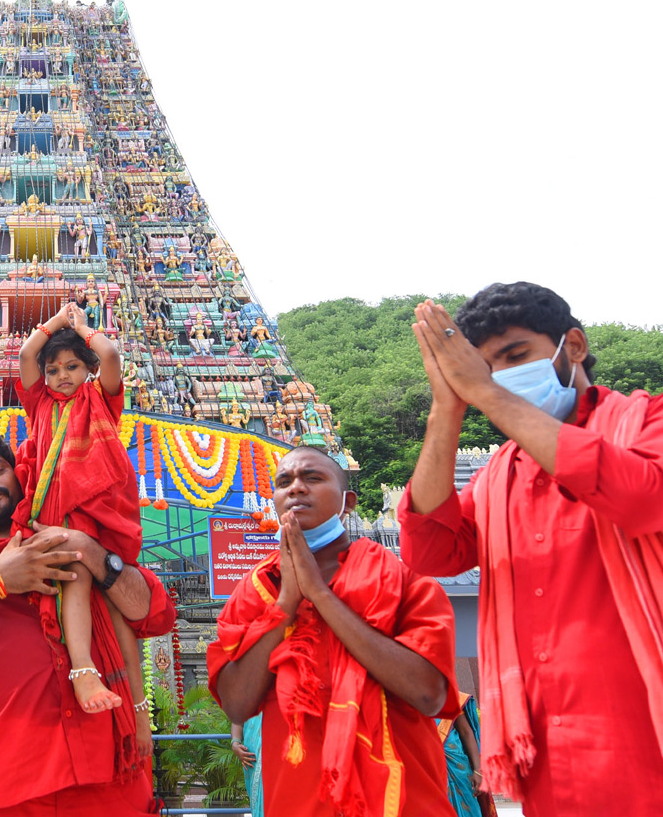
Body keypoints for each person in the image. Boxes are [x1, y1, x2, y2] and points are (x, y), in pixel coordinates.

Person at [400, 283, 663, 815]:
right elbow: (430, 552)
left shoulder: (647, 422)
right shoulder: (500, 475)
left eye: (516, 356)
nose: (498, 376)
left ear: (574, 345)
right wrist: (446, 409)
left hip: (644, 743)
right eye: (486, 367)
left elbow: (638, 497)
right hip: (545, 756)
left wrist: (488, 393)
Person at [0, 430, 176, 816]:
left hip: (108, 781)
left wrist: (87, 549)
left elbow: (155, 615)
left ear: (19, 476)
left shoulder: (75, 537)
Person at [207, 446, 459, 817]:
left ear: (348, 502)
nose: (295, 488)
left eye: (312, 478)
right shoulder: (257, 589)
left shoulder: (403, 580)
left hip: (400, 798)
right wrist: (286, 605)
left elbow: (428, 694)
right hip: (296, 798)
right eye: (284, 482)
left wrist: (321, 596)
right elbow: (237, 704)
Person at [14, 301, 151, 752]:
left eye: (72, 367)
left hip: (97, 510)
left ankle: (138, 712)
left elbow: (110, 356)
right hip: (52, 509)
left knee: (115, 609)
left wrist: (82, 326)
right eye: (53, 370)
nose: (61, 377)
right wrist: (55, 323)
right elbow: (25, 355)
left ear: (88, 370)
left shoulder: (101, 400)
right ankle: (82, 668)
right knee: (71, 577)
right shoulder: (40, 403)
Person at [437, 692, 496, 817]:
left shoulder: (448, 694)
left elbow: (466, 732)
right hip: (430, 769)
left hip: (458, 767)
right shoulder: (405, 698)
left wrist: (478, 770)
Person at [230, 715, 264, 817]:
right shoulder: (247, 699)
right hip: (252, 757)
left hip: (281, 757)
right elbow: (237, 719)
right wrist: (235, 743)